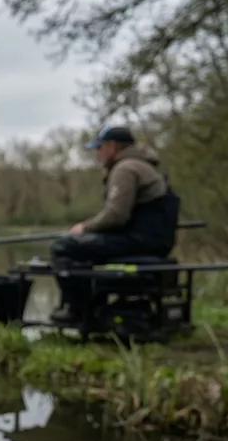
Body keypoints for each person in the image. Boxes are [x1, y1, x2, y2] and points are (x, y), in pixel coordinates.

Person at [49, 125, 180, 323]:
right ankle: (93, 304)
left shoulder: (125, 168)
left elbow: (116, 215)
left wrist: (84, 228)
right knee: (83, 247)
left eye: (99, 147)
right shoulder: (145, 166)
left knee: (64, 247)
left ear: (112, 146)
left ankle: (77, 310)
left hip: (139, 240)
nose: (98, 153)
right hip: (154, 240)